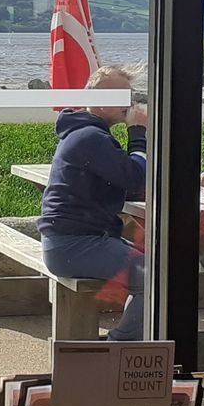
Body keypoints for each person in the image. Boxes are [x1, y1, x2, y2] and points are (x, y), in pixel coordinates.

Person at [38, 65, 151, 341]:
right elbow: (136, 179)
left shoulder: (87, 134)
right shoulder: (91, 138)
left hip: (74, 241)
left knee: (157, 265)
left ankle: (137, 340)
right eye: (120, 96)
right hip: (75, 246)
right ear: (97, 100)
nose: (128, 104)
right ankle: (119, 347)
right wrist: (138, 134)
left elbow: (129, 183)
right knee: (155, 277)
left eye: (129, 96)